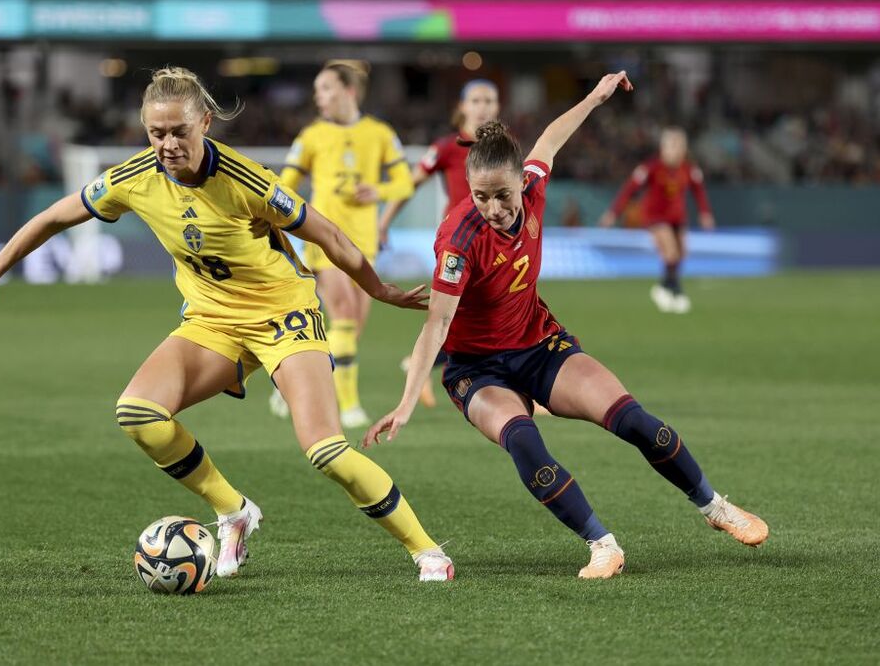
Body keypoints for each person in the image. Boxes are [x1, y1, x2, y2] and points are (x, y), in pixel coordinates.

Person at [0, 66, 453, 582]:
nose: (168, 144)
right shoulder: (133, 179)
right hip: (211, 322)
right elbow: (54, 217)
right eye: (157, 133)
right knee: (138, 414)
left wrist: (379, 289)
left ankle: (428, 552)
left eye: (179, 131)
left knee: (325, 451)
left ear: (205, 123)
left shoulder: (246, 181)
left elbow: (329, 234)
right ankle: (234, 510)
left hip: (283, 317)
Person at [365, 72, 768, 580]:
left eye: (502, 195)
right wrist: (405, 402)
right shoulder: (458, 240)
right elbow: (435, 326)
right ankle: (602, 545)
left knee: (636, 421)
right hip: (476, 369)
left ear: (521, 182)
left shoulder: (533, 185)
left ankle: (715, 507)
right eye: (480, 196)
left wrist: (595, 98)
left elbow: (551, 137)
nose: (493, 209)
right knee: (523, 439)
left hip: (539, 345)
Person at [268, 60, 414, 428]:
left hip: (364, 241)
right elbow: (286, 184)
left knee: (350, 330)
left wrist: (378, 190)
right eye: (317, 90)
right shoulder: (311, 136)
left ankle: (290, 378)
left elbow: (404, 182)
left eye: (326, 88)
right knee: (345, 316)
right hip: (324, 239)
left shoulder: (379, 133)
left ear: (349, 90)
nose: (319, 97)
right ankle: (347, 405)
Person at [377, 79, 500, 409]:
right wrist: (384, 222)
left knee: (481, 311)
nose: (483, 106)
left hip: (496, 241)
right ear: (462, 107)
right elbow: (409, 184)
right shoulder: (447, 147)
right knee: (470, 311)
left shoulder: (504, 147)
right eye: (476, 100)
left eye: (489, 100)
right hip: (459, 241)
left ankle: (427, 364)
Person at [600, 127, 715, 314]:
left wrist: (705, 213)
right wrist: (613, 212)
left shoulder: (689, 169)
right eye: (672, 145)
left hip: (678, 217)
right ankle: (671, 290)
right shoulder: (651, 168)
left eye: (679, 145)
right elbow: (629, 189)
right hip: (656, 217)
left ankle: (668, 287)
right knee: (670, 251)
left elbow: (699, 191)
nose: (676, 150)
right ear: (663, 147)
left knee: (681, 253)